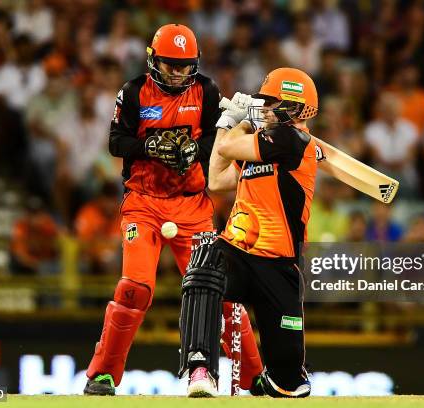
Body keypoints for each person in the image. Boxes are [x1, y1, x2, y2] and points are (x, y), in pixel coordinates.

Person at [84, 24, 262, 395]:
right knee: (136, 288)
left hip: (193, 205)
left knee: (221, 292)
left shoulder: (207, 90)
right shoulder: (133, 92)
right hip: (143, 204)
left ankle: (254, 375)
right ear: (153, 60)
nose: (179, 74)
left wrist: (191, 152)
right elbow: (117, 142)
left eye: (185, 67)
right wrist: (151, 148)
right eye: (170, 66)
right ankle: (102, 375)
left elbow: (216, 141)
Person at [179, 67, 319, 398]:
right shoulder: (261, 145)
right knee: (205, 263)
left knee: (288, 384)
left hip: (279, 264)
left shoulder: (292, 140)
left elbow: (227, 149)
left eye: (271, 102)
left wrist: (235, 121)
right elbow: (215, 179)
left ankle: (280, 375)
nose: (264, 107)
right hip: (239, 253)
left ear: (293, 107)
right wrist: (231, 123)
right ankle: (201, 368)